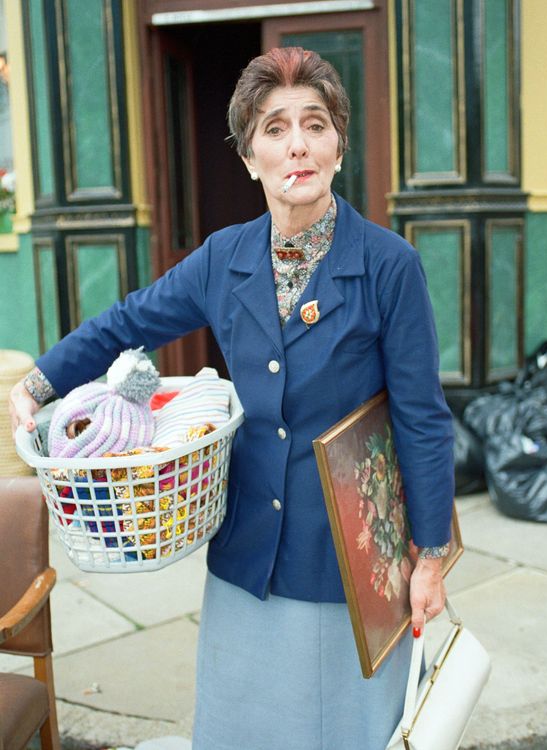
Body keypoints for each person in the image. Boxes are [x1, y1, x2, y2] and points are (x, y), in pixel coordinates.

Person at [10, 48, 454, 750]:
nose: (296, 144)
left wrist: (429, 558)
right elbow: (129, 320)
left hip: (349, 556)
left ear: (339, 144)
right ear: (250, 156)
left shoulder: (387, 265)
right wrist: (39, 382)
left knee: (348, 727)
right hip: (249, 551)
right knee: (248, 725)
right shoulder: (224, 257)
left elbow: (422, 419)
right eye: (274, 128)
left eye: (314, 124)